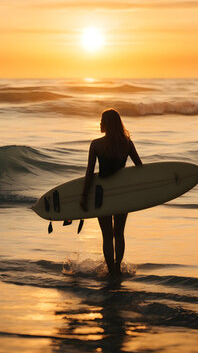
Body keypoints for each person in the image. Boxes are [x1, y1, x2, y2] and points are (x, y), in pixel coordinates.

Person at [79, 109, 142, 278]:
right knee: (119, 233)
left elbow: (89, 173)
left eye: (102, 120)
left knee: (107, 236)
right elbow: (140, 168)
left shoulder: (96, 145)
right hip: (121, 194)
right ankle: (118, 268)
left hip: (103, 194)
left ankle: (111, 271)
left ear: (107, 124)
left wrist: (84, 196)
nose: (100, 123)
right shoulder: (127, 143)